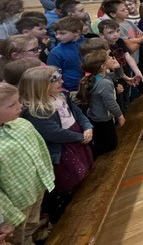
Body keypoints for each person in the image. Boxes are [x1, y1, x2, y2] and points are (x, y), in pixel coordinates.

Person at [19, 67, 93, 223]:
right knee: (70, 183)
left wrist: (87, 126)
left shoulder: (61, 96)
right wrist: (79, 137)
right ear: (40, 85)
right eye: (57, 80)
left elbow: (77, 112)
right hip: (64, 149)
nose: (62, 81)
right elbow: (53, 133)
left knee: (84, 176)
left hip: (76, 140)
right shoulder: (37, 110)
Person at [0, 82, 55, 245]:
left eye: (18, 100)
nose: (21, 106)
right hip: (13, 206)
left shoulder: (23, 124)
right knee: (16, 236)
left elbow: (41, 151)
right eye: (12, 104)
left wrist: (47, 177)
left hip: (35, 189)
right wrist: (7, 216)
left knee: (32, 224)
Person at [76, 50, 124, 158]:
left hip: (97, 116)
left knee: (105, 141)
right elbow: (110, 104)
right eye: (109, 58)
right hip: (103, 119)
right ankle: (89, 156)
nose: (112, 58)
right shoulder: (104, 83)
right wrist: (120, 116)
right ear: (103, 66)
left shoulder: (100, 77)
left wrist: (117, 66)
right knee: (110, 145)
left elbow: (118, 76)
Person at [47, 17, 85, 93]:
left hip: (91, 85)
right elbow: (53, 75)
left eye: (62, 33)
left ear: (77, 32)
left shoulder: (89, 45)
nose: (57, 36)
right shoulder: (56, 53)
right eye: (56, 33)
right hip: (70, 90)